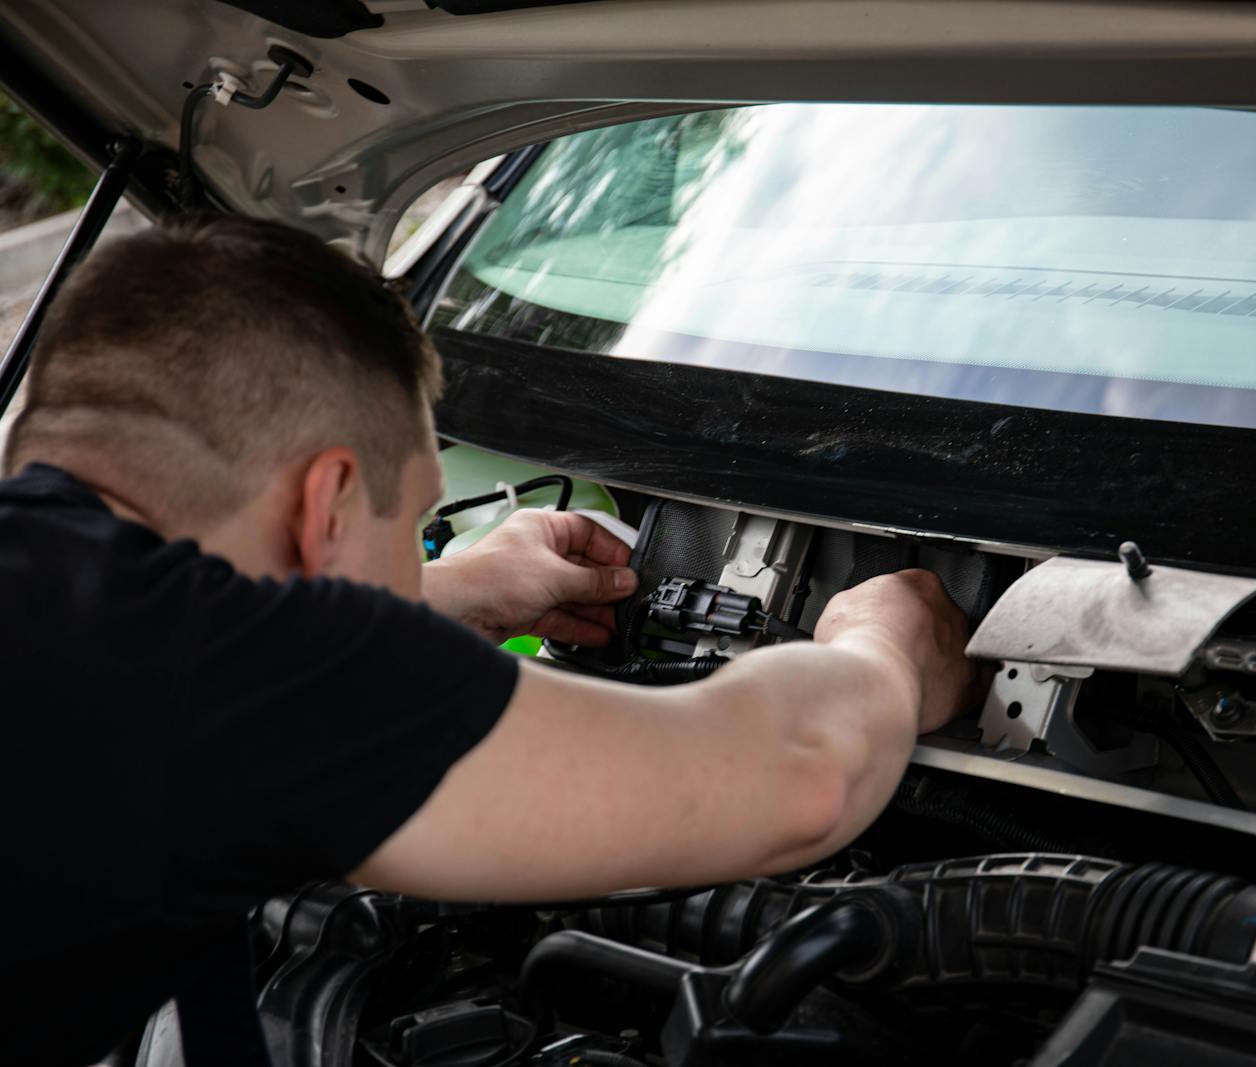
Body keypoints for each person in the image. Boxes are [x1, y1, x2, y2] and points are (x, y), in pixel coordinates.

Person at [0, 215, 975, 1066]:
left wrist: (450, 589)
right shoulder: (215, 665)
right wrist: (880, 647)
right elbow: (802, 777)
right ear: (329, 498)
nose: (422, 549)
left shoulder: (66, 595)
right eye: (421, 518)